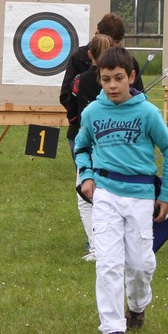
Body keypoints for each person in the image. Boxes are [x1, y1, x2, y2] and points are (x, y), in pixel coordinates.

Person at [74, 46, 168, 334]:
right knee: (108, 262)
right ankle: (112, 326)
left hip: (141, 195)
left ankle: (136, 305)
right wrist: (86, 176)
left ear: (131, 77)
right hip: (106, 194)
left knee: (140, 264)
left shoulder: (148, 112)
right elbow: (81, 146)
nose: (112, 85)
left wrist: (167, 194)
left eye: (119, 78)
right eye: (106, 79)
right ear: (99, 78)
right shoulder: (93, 112)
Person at [60, 14, 144, 258]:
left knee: (106, 191)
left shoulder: (128, 61)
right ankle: (100, 243)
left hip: (110, 139)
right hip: (83, 137)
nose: (111, 84)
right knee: (90, 190)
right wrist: (78, 122)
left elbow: (138, 99)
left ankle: (106, 243)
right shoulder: (79, 59)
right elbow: (67, 96)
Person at [66, 34, 116, 261]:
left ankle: (97, 247)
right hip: (113, 143)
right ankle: (110, 245)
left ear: (89, 54)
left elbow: (72, 111)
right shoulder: (119, 81)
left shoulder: (80, 80)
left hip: (87, 143)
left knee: (86, 196)